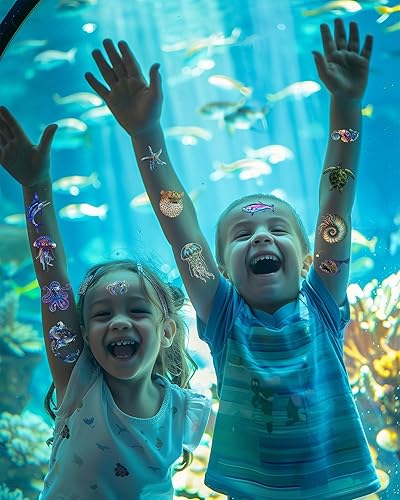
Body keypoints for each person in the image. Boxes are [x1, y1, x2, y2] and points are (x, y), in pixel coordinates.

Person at [84, 18, 380, 499]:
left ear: (309, 258)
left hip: (337, 489)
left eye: (277, 229)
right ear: (220, 269)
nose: (260, 237)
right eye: (242, 235)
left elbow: (336, 205)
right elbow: (180, 228)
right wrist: (145, 134)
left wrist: (346, 104)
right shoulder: (223, 313)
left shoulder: (323, 301)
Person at [0, 107, 211, 499]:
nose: (119, 322)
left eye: (137, 310)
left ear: (167, 331)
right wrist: (35, 186)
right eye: (101, 314)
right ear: (82, 334)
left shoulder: (185, 410)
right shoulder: (78, 385)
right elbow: (53, 284)